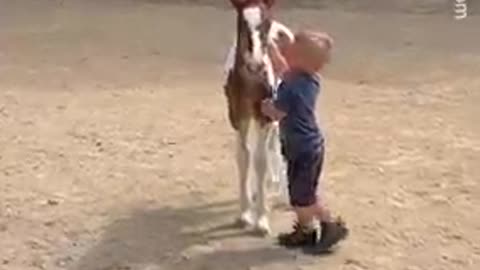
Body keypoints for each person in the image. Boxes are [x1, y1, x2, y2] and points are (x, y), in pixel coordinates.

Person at [261, 30, 349, 254]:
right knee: (300, 192)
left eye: (288, 49)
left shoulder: (292, 88)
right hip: (307, 145)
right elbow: (284, 69)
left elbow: (277, 113)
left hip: (302, 148)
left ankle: (330, 225)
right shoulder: (308, 80)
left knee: (303, 197)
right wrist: (271, 48)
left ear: (299, 59)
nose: (284, 50)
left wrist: (265, 106)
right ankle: (305, 231)